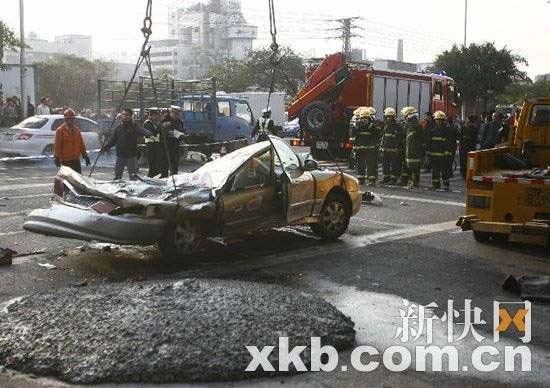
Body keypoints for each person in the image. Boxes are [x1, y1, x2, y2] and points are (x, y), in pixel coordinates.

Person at [101, 108, 151, 180]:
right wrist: (105, 148)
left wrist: (147, 133)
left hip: (131, 156)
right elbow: (112, 140)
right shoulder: (119, 127)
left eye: (126, 115)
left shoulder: (135, 127)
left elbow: (147, 133)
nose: (124, 116)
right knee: (117, 177)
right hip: (120, 155)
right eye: (123, 115)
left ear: (131, 116)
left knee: (133, 178)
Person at [53, 109, 90, 174]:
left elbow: (81, 144)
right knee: (66, 183)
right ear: (65, 120)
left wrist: (85, 155)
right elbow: (57, 145)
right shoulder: (60, 131)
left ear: (74, 119)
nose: (70, 121)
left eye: (71, 119)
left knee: (77, 182)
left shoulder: (77, 130)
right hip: (66, 161)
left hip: (76, 161)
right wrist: (57, 157)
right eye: (68, 119)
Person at [350, 107, 380, 186]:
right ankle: (361, 179)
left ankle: (371, 180)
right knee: (360, 164)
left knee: (371, 165)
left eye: (366, 118)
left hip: (370, 149)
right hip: (359, 148)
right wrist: (356, 126)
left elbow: (377, 133)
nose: (364, 119)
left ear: (369, 117)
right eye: (362, 118)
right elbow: (352, 134)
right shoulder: (357, 124)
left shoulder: (373, 124)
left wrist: (369, 125)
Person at [428, 111, 453, 190]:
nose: (438, 121)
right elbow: (430, 143)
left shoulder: (447, 131)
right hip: (434, 155)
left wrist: (447, 153)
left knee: (444, 171)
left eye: (440, 120)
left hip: (443, 155)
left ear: (443, 120)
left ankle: (446, 185)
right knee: (435, 171)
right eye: (437, 120)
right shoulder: (433, 131)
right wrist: (429, 152)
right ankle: (435, 185)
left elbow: (449, 143)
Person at [401, 106, 424, 189]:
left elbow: (417, 140)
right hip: (410, 151)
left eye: (405, 116)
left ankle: (414, 183)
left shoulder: (415, 126)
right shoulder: (410, 125)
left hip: (414, 151)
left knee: (414, 168)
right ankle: (411, 183)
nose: (405, 118)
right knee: (410, 168)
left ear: (409, 116)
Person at [381, 107, 404, 185]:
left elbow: (399, 138)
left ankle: (394, 179)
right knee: (385, 164)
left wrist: (397, 147)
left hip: (394, 149)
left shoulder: (398, 126)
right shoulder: (386, 126)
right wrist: (382, 146)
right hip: (386, 148)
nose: (388, 118)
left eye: (390, 116)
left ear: (393, 117)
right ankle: (386, 178)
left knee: (395, 164)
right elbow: (384, 137)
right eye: (387, 116)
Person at [160, 105, 185, 177]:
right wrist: (177, 134)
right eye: (175, 113)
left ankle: (174, 180)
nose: (177, 115)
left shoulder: (179, 121)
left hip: (175, 146)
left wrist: (180, 134)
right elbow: (163, 132)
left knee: (174, 167)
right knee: (164, 167)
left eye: (178, 114)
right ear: (171, 112)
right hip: (165, 147)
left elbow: (183, 131)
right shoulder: (165, 121)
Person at [143, 107, 162, 178]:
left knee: (157, 161)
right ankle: (151, 176)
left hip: (156, 144)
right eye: (155, 115)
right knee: (152, 161)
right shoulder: (147, 123)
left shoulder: (154, 123)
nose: (156, 117)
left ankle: (156, 175)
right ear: (151, 115)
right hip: (150, 144)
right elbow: (152, 133)